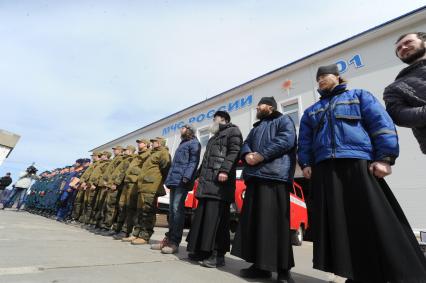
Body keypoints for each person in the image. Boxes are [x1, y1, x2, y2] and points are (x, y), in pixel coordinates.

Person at [298, 64, 426, 283]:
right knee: (341, 224)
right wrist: (306, 163)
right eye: (317, 78)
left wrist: (384, 157)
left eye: (324, 76)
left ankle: (403, 274)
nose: (320, 81)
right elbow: (305, 141)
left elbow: (381, 125)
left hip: (358, 163)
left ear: (338, 78)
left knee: (375, 218)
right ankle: (356, 274)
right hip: (325, 169)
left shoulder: (360, 96)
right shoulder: (311, 111)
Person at [231, 97, 296, 282]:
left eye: (260, 105)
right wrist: (247, 154)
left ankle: (283, 269)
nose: (257, 107)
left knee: (277, 224)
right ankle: (260, 266)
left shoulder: (284, 120)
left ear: (270, 106)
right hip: (255, 177)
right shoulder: (256, 127)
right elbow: (246, 143)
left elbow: (286, 140)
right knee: (256, 223)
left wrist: (260, 155)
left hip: (274, 177)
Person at [186, 111, 242, 268]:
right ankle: (202, 251)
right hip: (207, 183)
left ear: (223, 119)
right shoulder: (213, 138)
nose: (212, 121)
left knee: (217, 219)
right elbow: (206, 161)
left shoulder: (233, 131)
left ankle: (218, 255)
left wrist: (224, 170)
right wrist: (197, 175)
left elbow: (234, 152)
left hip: (220, 184)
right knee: (203, 218)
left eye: (214, 118)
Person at [151, 124, 201, 254]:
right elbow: (174, 166)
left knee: (177, 210)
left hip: (182, 181)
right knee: (172, 211)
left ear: (189, 130)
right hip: (174, 180)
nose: (181, 130)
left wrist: (186, 177)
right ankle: (168, 238)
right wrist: (168, 180)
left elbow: (193, 162)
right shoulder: (182, 144)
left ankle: (175, 242)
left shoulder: (194, 143)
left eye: (183, 128)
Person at [383, 32, 426, 154]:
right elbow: (399, 116)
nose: (403, 48)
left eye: (408, 42)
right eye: (399, 48)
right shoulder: (394, 88)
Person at [128, 137, 170, 245]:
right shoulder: (152, 154)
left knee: (148, 212)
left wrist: (158, 181)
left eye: (153, 142)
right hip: (143, 187)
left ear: (159, 143)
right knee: (140, 211)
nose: (151, 144)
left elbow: (166, 169)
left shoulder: (163, 153)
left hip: (151, 186)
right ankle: (136, 234)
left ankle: (145, 236)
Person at [118, 139, 151, 241]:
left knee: (132, 208)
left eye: (140, 142)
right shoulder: (137, 155)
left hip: (135, 183)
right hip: (128, 182)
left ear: (145, 144)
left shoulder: (148, 154)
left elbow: (146, 168)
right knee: (124, 206)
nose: (138, 144)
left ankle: (127, 232)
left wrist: (136, 176)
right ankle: (124, 230)